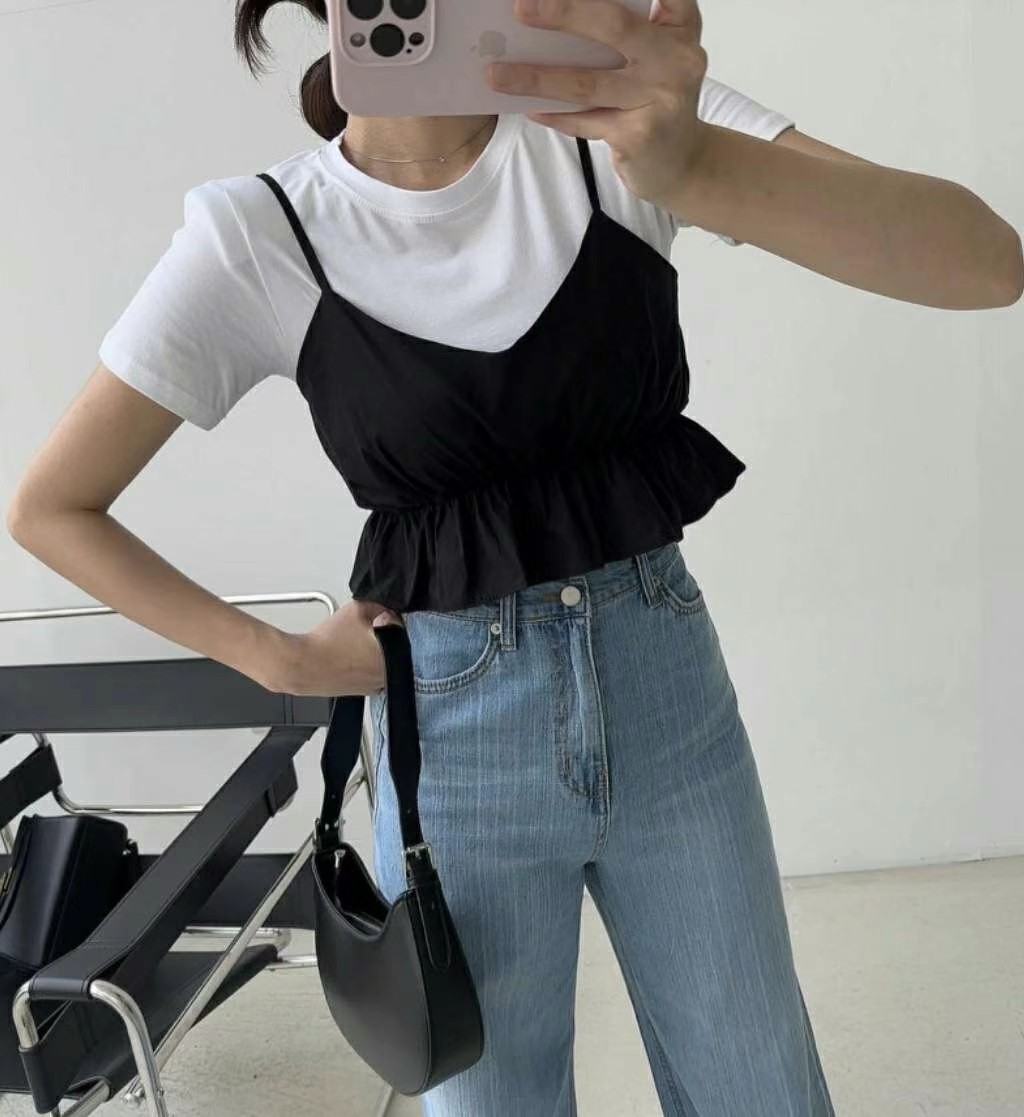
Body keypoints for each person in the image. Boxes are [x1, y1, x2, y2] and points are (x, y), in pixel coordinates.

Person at [6, 0, 1021, 1114]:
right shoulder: (262, 232)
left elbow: (982, 262)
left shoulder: (618, 124)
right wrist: (279, 658)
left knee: (761, 1088)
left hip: (667, 694)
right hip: (452, 738)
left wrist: (693, 165)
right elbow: (53, 508)